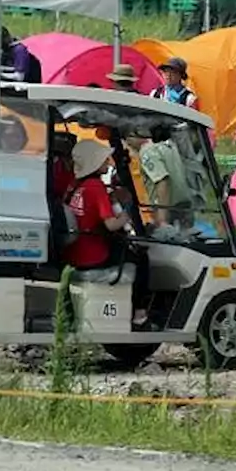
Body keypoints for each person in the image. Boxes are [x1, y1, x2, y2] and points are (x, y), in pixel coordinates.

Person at [64, 139, 151, 324]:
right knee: (141, 258)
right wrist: (127, 215)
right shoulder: (96, 187)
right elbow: (112, 225)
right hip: (94, 255)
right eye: (104, 160)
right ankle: (139, 312)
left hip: (77, 252)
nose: (109, 162)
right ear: (94, 163)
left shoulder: (77, 186)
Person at [138, 124, 192, 230]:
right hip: (186, 207)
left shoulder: (147, 151)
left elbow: (162, 180)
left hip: (169, 212)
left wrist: (162, 218)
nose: (127, 141)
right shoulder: (170, 145)